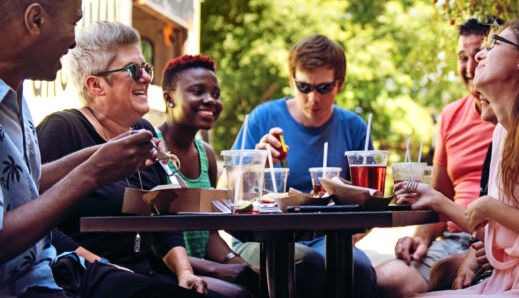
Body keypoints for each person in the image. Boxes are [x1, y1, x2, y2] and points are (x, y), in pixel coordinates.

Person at [0, 0, 200, 297]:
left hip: (50, 271)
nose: (75, 41)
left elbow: (25, 185)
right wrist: (91, 172)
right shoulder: (58, 123)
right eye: (73, 22)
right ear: (35, 21)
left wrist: (102, 156)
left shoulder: (16, 98)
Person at [396, 19, 519, 297]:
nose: (480, 55)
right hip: (506, 279)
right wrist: (433, 197)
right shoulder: (503, 131)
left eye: (493, 46)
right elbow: (492, 222)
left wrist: (491, 207)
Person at [36, 21, 215, 296]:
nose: (145, 77)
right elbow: (45, 228)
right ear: (96, 85)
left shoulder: (144, 131)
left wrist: (184, 271)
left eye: (146, 68)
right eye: (134, 69)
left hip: (144, 275)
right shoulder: (63, 129)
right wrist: (106, 268)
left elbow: (163, 219)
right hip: (86, 279)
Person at [230, 34, 376, 298]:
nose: (312, 98)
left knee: (358, 268)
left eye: (323, 88)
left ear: (339, 84)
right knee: (304, 263)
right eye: (304, 87)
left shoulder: (355, 128)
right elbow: (228, 193)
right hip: (262, 237)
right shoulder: (263, 117)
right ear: (291, 81)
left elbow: (370, 202)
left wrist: (343, 241)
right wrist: (256, 164)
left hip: (326, 238)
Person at [377, 17, 502, 297]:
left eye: (478, 57)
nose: (469, 68)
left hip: (495, 242)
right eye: (462, 57)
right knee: (382, 281)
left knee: (446, 273)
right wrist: (421, 237)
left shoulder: (516, 115)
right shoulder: (450, 115)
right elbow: (441, 191)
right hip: (453, 236)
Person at [157, 54, 258, 297]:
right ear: (169, 98)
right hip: (168, 270)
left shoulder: (207, 155)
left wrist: (237, 262)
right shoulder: (151, 148)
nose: (210, 100)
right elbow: (149, 241)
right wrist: (219, 270)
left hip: (201, 267)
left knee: (266, 279)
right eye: (198, 91)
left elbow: (210, 233)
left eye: (215, 94)